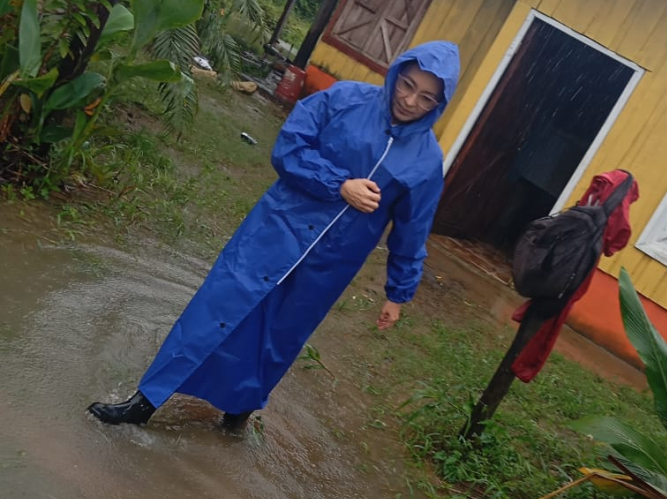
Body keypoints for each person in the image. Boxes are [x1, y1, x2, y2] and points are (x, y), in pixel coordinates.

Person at [87, 41, 461, 429]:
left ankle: (235, 419)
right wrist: (339, 185)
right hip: (277, 229)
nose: (411, 100)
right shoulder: (346, 99)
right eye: (408, 85)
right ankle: (144, 403)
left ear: (439, 104)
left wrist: (397, 295)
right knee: (217, 307)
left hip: (329, 265)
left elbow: (413, 228)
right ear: (398, 73)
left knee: (278, 338)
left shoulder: (426, 161)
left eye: (426, 97)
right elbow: (289, 148)